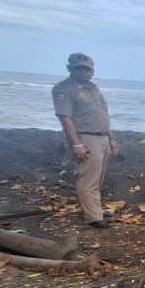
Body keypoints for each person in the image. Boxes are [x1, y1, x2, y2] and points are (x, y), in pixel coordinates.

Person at [51, 53, 120, 229]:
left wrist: (111, 137)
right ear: (70, 68)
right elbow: (65, 118)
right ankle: (94, 218)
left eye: (87, 69)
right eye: (79, 68)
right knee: (88, 179)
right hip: (85, 137)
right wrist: (77, 143)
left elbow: (103, 115)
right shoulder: (65, 89)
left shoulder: (93, 88)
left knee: (97, 178)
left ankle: (94, 209)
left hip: (101, 137)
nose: (84, 72)